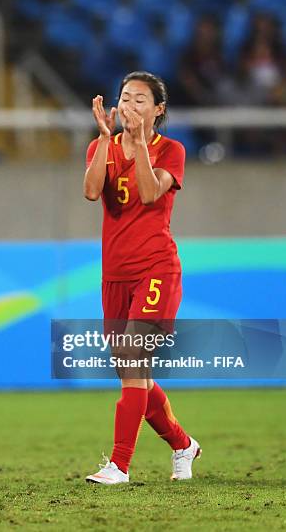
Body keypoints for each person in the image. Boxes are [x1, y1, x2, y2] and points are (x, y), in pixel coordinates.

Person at [83, 71, 201, 484]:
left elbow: (151, 193)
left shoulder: (171, 150)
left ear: (158, 109)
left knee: (134, 358)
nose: (130, 106)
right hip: (115, 274)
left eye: (139, 100)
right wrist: (103, 139)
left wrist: (138, 147)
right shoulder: (103, 146)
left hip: (156, 268)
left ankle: (119, 465)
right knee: (134, 374)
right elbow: (92, 191)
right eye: (125, 98)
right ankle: (183, 444)